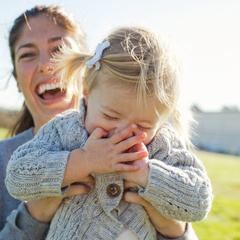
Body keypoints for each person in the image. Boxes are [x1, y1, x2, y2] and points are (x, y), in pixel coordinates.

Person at [0, 5, 197, 240]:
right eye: (28, 54)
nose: (46, 64)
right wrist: (78, 165)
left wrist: (171, 225)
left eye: (59, 49)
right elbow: (17, 177)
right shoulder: (9, 156)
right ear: (17, 82)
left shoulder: (159, 144)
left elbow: (197, 200)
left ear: (83, 72)